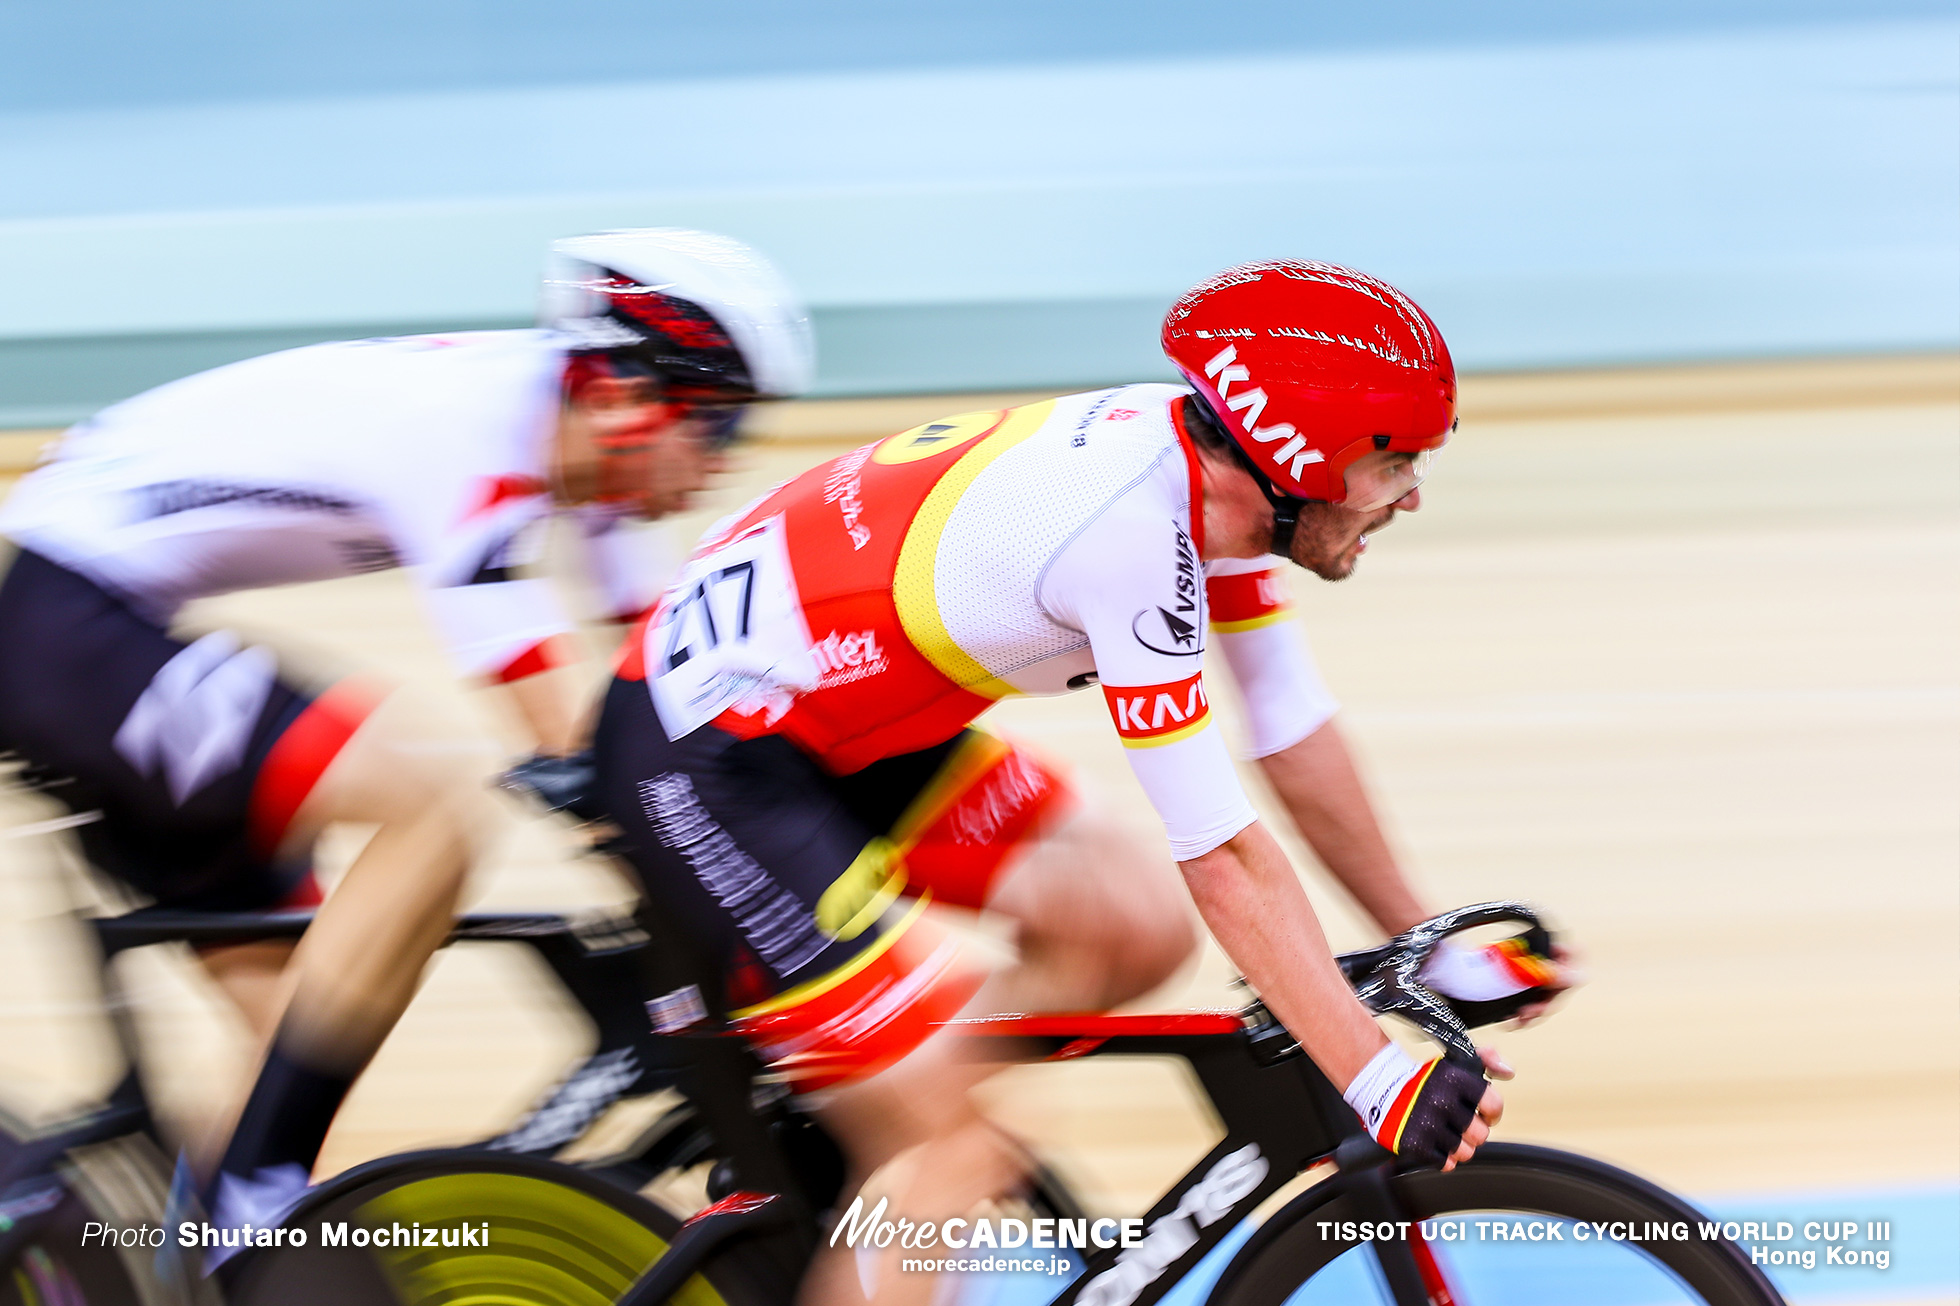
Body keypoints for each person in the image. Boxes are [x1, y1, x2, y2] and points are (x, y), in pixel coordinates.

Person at [592, 260, 1573, 1306]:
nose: (1410, 495)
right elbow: (1225, 858)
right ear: (1301, 455)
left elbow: (1287, 725)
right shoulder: (1129, 535)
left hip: (835, 724)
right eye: (1393, 464)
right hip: (708, 762)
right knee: (963, 1149)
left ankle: (860, 1120)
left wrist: (1421, 941)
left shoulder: (1215, 475)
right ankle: (901, 1143)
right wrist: (1373, 1076)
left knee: (1130, 924)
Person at [0, 227, 813, 1237]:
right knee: (430, 816)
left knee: (298, 1046)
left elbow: (655, 690)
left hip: (95, 629)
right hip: (65, 629)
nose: (725, 464)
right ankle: (245, 1198)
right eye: (722, 428)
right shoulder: (469, 434)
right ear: (626, 399)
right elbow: (571, 740)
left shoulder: (582, 462)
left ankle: (194, 1257)